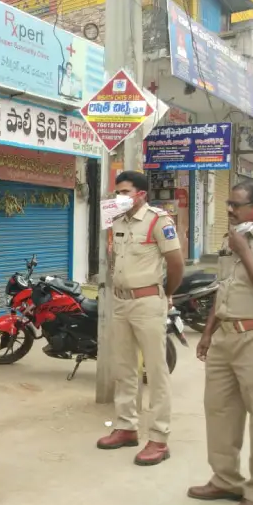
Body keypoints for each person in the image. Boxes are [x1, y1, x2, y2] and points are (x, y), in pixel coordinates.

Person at [189, 180, 253, 505]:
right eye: (228, 204)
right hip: (225, 336)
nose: (229, 210)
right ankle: (226, 479)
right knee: (220, 411)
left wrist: (243, 249)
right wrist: (208, 332)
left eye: (236, 205)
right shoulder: (233, 240)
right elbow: (223, 289)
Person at [97, 170, 184, 465]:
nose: (118, 197)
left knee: (156, 372)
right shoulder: (116, 221)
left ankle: (159, 438)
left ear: (141, 195)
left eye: (124, 192)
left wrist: (164, 293)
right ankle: (125, 427)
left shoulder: (159, 221)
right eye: (116, 192)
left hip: (148, 301)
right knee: (123, 367)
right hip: (120, 302)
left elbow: (175, 263)